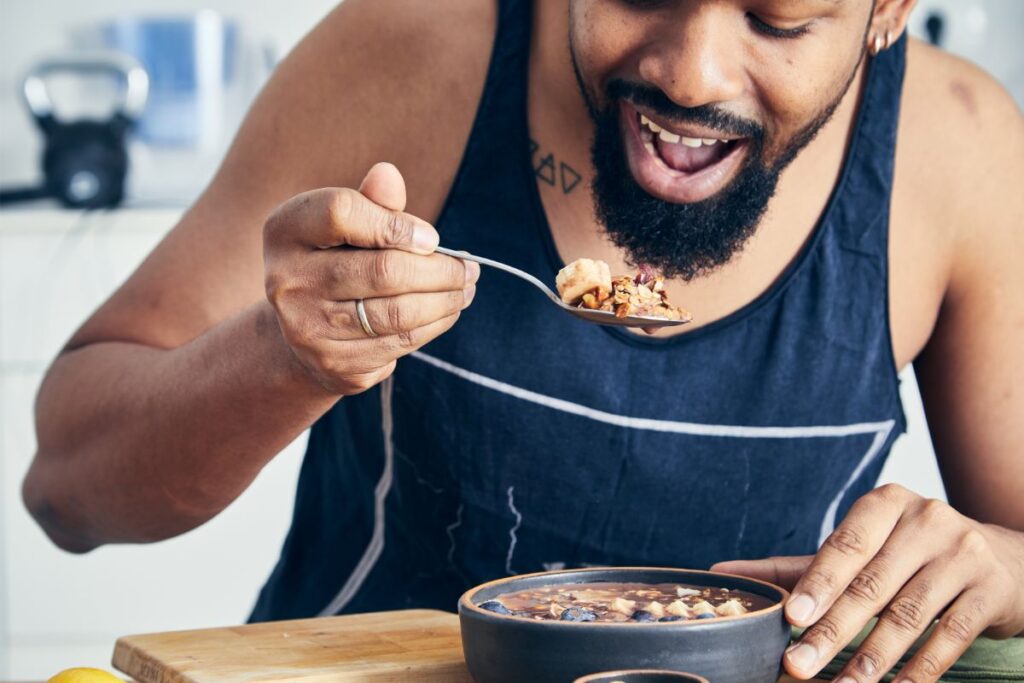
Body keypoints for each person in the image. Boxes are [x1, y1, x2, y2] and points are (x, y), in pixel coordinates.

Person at [24, 0, 1023, 680]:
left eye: (778, 18)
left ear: (887, 9)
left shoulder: (961, 148)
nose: (689, 71)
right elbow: (68, 488)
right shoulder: (411, 50)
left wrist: (992, 564)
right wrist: (279, 358)